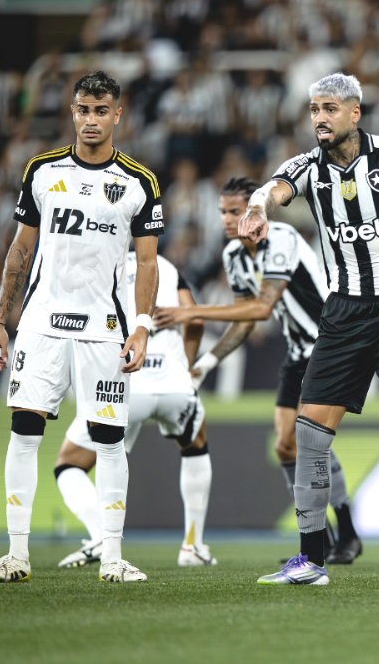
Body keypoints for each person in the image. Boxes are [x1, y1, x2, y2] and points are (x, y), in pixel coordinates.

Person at [239, 73, 379, 587]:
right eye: (313, 108)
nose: (319, 117)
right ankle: (311, 560)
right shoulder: (307, 167)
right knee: (308, 436)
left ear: (354, 113)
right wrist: (256, 208)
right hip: (342, 316)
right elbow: (272, 189)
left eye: (328, 108)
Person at [0, 71, 163, 583]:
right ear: (72, 111)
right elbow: (21, 249)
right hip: (40, 323)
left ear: (117, 115)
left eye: (100, 111)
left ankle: (111, 557)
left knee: (108, 440)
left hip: (104, 328)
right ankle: (16, 554)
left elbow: (146, 264)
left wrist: (142, 326)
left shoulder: (139, 183)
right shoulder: (41, 170)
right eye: (83, 110)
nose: (90, 120)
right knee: (24, 431)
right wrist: (0, 321)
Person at [153, 177, 363, 565]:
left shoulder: (281, 239)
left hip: (330, 346)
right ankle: (330, 536)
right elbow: (244, 319)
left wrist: (190, 311)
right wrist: (207, 363)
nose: (229, 219)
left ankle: (342, 533)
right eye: (223, 212)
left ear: (255, 209)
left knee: (309, 439)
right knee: (285, 445)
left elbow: (262, 308)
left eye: (236, 211)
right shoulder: (234, 255)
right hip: (299, 352)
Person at [55, 252, 215, 568]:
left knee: (69, 463)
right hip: (174, 384)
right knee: (195, 447)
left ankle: (102, 536)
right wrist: (186, 365)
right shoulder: (166, 267)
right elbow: (194, 319)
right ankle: (193, 546)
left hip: (126, 381)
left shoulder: (96, 264)